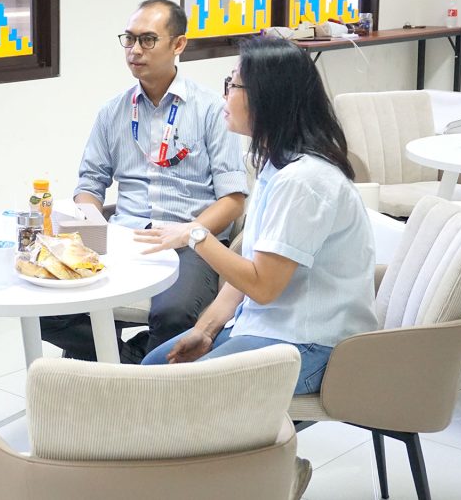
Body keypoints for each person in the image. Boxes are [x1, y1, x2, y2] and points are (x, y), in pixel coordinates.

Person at [136, 36, 378, 396]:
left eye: (232, 85)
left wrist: (196, 235)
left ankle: (250, 435)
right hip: (265, 328)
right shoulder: (276, 164)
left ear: (267, 97)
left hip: (311, 344)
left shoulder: (303, 181)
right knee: (152, 371)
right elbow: (249, 270)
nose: (225, 95)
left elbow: (262, 286)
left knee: (177, 394)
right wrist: (206, 329)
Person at [40, 0, 248, 363]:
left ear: (178, 44)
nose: (135, 50)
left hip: (191, 241)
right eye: (130, 39)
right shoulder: (113, 111)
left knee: (173, 315)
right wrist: (92, 227)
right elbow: (89, 184)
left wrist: (189, 232)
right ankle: (132, 366)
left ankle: (135, 377)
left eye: (148, 40)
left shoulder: (211, 109)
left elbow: (233, 199)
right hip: (127, 237)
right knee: (47, 308)